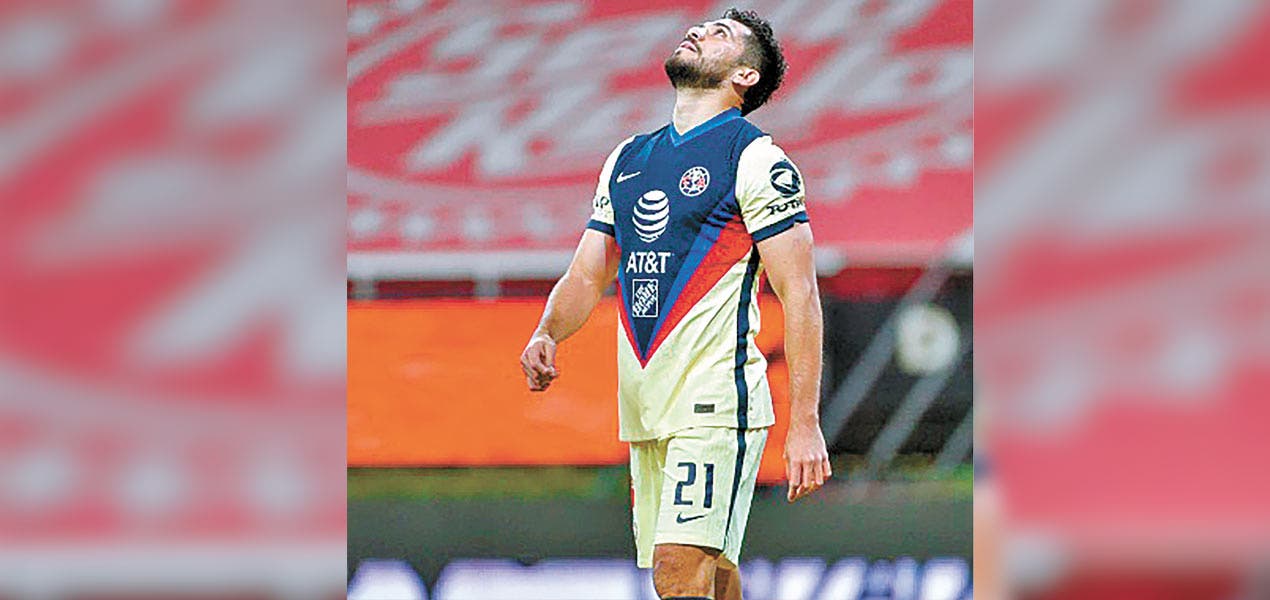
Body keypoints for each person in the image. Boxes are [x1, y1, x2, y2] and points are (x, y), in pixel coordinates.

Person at [520, 8, 829, 599]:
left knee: (677, 572)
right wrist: (547, 332)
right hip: (646, 408)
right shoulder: (628, 158)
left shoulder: (756, 159)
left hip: (714, 401)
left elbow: (801, 293)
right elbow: (588, 272)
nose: (699, 31)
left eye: (720, 34)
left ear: (744, 76)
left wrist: (806, 423)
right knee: (713, 572)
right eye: (703, 26)